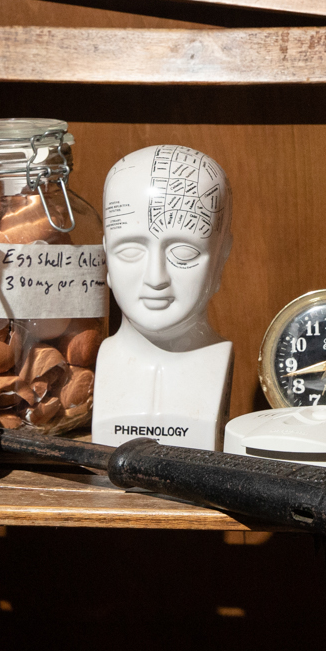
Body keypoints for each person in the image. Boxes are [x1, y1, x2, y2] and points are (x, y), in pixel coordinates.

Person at [91, 144, 235, 450]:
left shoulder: (215, 360)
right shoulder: (103, 362)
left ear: (221, 257)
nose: (156, 278)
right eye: (130, 251)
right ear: (106, 256)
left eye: (183, 252)